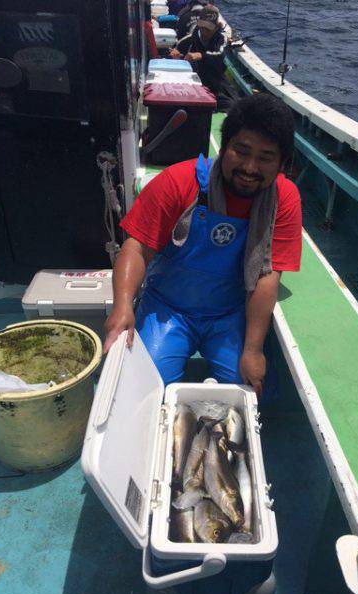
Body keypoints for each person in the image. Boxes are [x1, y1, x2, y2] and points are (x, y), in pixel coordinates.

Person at [104, 93, 302, 396]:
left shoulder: (283, 200)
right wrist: (122, 306)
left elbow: (266, 276)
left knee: (251, 391)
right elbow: (137, 247)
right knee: (140, 390)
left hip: (229, 312)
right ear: (223, 148)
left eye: (265, 158)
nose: (249, 168)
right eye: (241, 151)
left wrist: (253, 349)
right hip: (167, 308)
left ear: (282, 164)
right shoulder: (178, 181)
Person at [169, 4, 238, 111]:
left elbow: (220, 55)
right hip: (196, 81)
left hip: (216, 82)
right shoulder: (193, 36)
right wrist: (174, 53)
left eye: (208, 28)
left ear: (217, 26)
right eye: (202, 27)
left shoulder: (221, 38)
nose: (204, 31)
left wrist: (201, 55)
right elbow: (177, 47)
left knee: (234, 106)